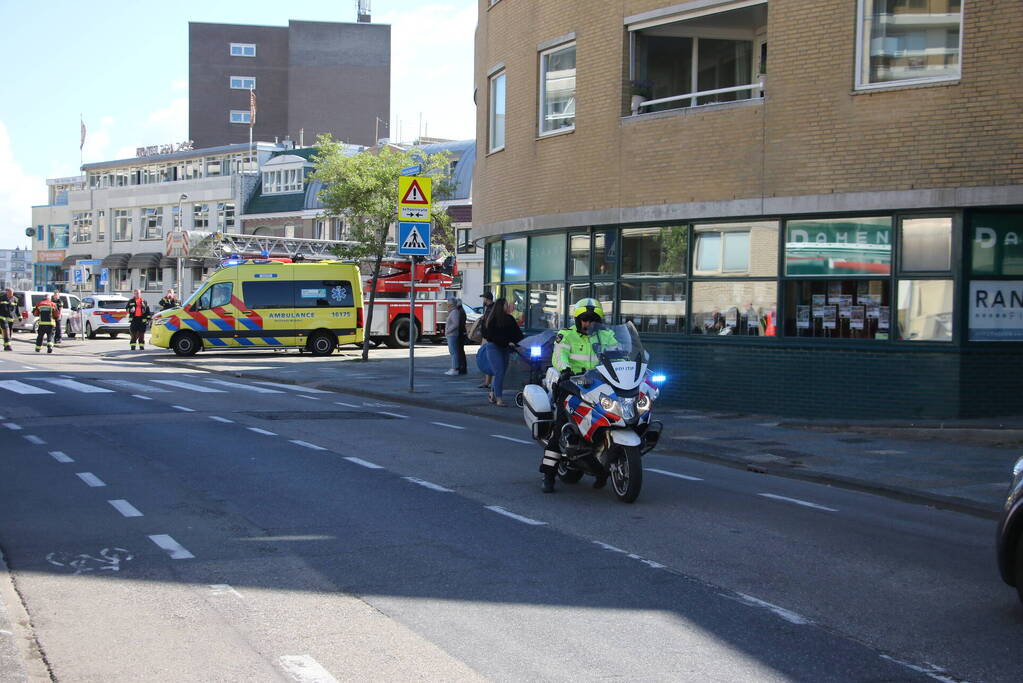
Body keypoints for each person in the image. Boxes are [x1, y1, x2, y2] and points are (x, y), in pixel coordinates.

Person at [540, 297, 618, 494]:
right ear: (577, 320)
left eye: (592, 320)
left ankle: (603, 463)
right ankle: (548, 474)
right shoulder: (566, 335)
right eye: (585, 319)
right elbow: (559, 356)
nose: (588, 323)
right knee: (560, 428)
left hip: (599, 385)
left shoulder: (606, 336)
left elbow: (620, 353)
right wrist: (566, 370)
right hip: (571, 384)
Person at [482, 296, 523, 407]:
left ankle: (492, 393)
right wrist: (507, 342)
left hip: (504, 348)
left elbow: (517, 334)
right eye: (506, 304)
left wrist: (517, 343)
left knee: (500, 372)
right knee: (499, 372)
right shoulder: (492, 319)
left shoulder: (509, 318)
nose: (508, 306)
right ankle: (499, 398)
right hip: (494, 348)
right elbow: (490, 336)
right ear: (501, 306)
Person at [444, 297, 467, 376]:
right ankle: (454, 368)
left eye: (448, 304)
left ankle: (455, 368)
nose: (447, 305)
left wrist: (448, 331)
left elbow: (455, 324)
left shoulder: (454, 312)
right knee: (453, 352)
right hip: (452, 334)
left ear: (451, 304)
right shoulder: (453, 311)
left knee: (454, 352)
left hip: (452, 335)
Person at [477, 291, 495, 389]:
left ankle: (490, 382)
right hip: (487, 337)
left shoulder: (492, 309)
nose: (483, 300)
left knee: (489, 359)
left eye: (483, 298)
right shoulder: (489, 308)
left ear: (487, 299)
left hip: (489, 338)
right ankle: (487, 382)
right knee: (486, 358)